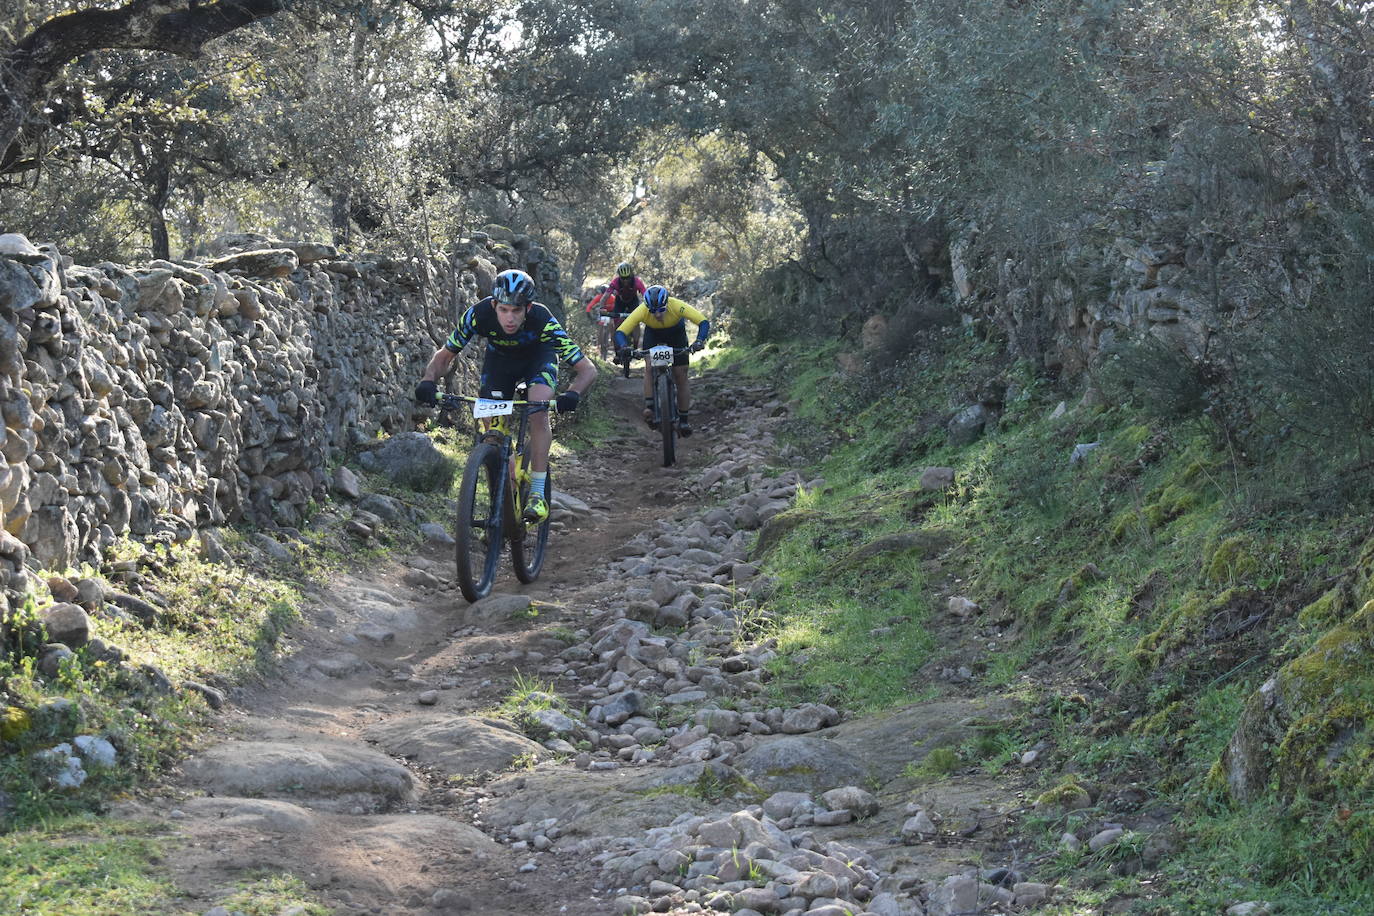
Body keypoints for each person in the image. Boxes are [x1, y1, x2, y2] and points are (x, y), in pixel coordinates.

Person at [415, 269, 597, 522]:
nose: (509, 318)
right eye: (503, 310)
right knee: (493, 431)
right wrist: (427, 380)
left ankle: (536, 493)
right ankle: (504, 488)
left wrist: (572, 394)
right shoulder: (478, 315)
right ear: (494, 305)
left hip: (538, 359)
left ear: (528, 308)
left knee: (538, 410)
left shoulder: (543, 319)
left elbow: (587, 369)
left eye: (517, 310)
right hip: (500, 363)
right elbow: (444, 356)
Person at [614, 284, 710, 437]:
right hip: (653, 335)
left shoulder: (677, 305)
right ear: (647, 308)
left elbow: (703, 321)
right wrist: (625, 347)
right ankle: (650, 407)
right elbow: (620, 331)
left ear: (667, 304)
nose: (657, 314)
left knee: (681, 374)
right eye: (652, 311)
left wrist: (699, 340)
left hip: (676, 335)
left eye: (661, 310)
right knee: (649, 368)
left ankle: (684, 420)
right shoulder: (641, 310)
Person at [601, 262, 645, 376]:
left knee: (635, 322)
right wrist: (601, 307)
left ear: (631, 276)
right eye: (623, 278)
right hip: (619, 302)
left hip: (633, 302)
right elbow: (606, 296)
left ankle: (635, 348)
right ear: (619, 277)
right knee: (616, 326)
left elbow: (645, 294)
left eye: (628, 278)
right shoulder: (615, 282)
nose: (625, 281)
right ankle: (617, 352)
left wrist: (648, 306)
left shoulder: (637, 282)